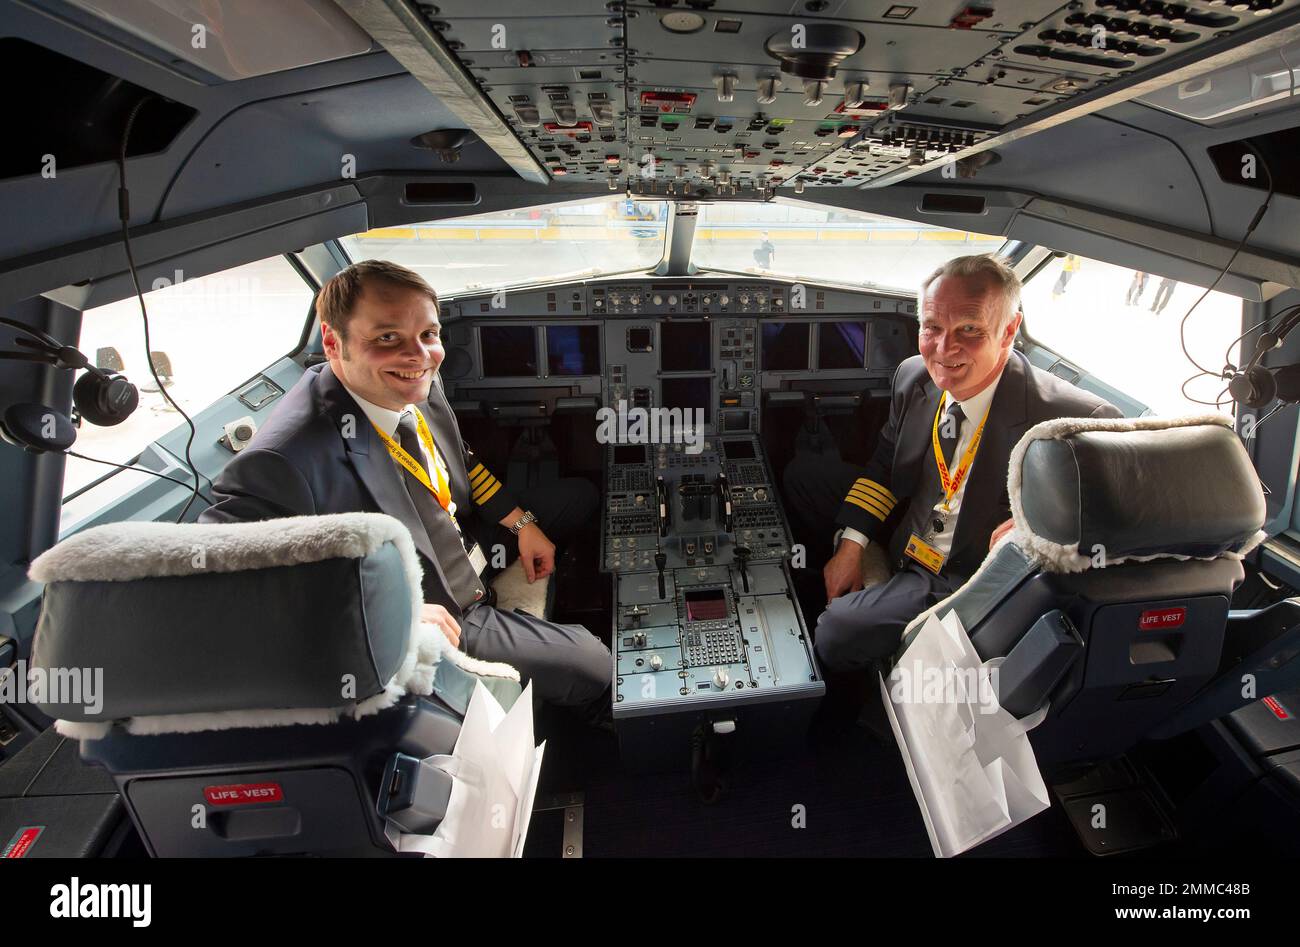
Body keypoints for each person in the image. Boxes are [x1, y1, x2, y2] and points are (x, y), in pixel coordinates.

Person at [201, 260, 611, 714]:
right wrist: (393, 619)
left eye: (428, 335)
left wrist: (522, 524)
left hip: (465, 540)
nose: (419, 355)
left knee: (580, 496)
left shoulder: (417, 383)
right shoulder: (282, 458)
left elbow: (461, 459)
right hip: (440, 604)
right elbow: (223, 589)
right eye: (387, 338)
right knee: (592, 665)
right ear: (333, 342)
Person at [783, 255, 1122, 674]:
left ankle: (860, 701)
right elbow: (887, 465)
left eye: (970, 329)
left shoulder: (1071, 420)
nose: (944, 350)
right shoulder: (913, 377)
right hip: (912, 527)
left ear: (1009, 331)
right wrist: (851, 545)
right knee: (802, 478)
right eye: (933, 328)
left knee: (836, 631)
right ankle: (816, 576)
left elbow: (1117, 520)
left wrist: (1035, 525)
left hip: (959, 572)